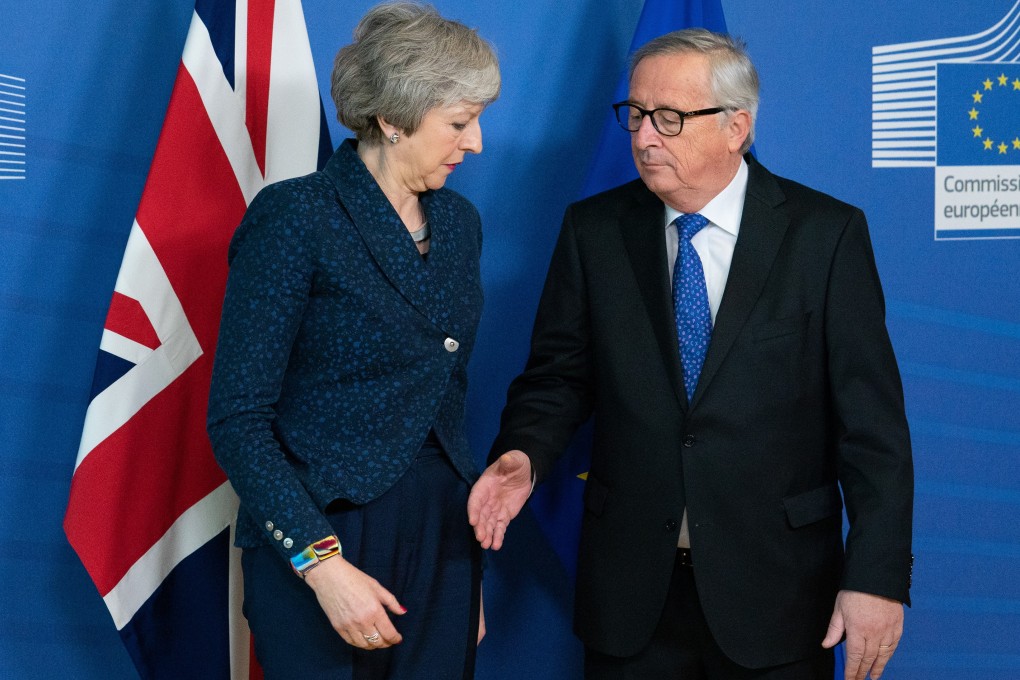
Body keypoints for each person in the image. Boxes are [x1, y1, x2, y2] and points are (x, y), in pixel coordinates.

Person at [469, 28, 912, 680]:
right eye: (637, 114)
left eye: (670, 119)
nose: (645, 138)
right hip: (632, 599)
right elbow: (558, 379)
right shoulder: (594, 231)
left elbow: (871, 430)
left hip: (779, 597)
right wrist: (522, 454)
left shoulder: (825, 236)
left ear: (737, 127)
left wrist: (876, 577)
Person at [207, 3, 499, 678]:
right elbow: (238, 422)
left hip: (441, 535)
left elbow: (444, 398)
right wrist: (321, 565)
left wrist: (462, 576)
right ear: (393, 120)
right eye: (459, 122)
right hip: (326, 529)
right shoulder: (296, 216)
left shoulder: (459, 222)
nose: (476, 142)